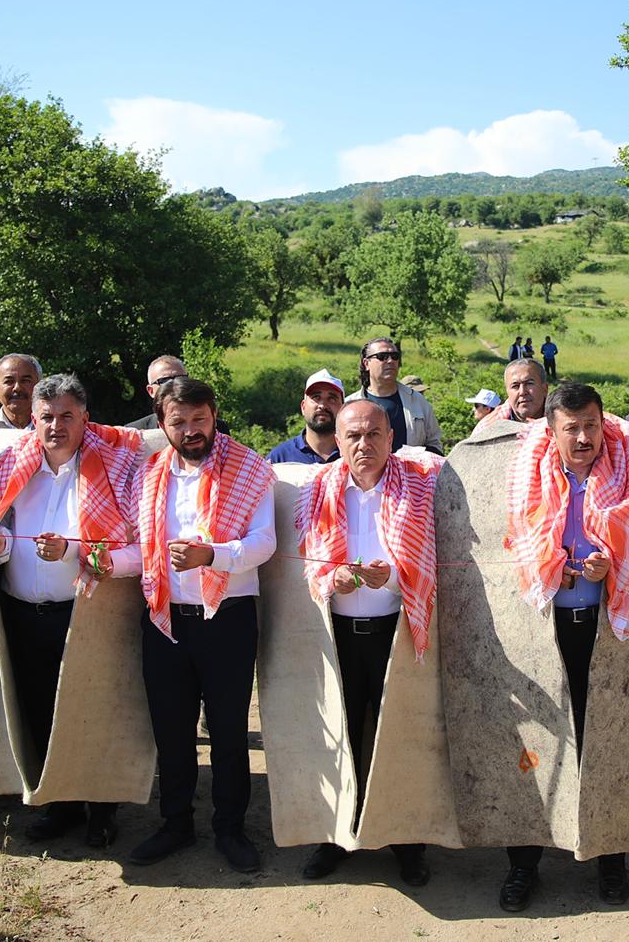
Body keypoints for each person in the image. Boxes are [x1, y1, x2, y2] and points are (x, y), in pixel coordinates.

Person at [0, 373, 145, 848]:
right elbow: (2, 527)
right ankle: (62, 805)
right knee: (40, 710)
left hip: (87, 613)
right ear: (33, 418)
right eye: (47, 417)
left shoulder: (116, 466)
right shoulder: (11, 462)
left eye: (67, 416)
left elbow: (133, 538)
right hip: (24, 612)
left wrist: (71, 549)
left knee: (93, 712)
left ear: (85, 417)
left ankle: (102, 810)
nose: (56, 426)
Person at [500, 382, 629, 912]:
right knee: (536, 745)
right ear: (552, 430)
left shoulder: (624, 473)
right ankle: (523, 866)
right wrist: (549, 569)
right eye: (571, 428)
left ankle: (611, 861)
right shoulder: (529, 475)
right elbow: (515, 542)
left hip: (601, 627)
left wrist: (610, 567)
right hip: (542, 628)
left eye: (591, 426)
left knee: (603, 740)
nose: (583, 438)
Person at [129, 377, 276, 873]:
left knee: (230, 731)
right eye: (179, 422)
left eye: (199, 419)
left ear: (214, 415)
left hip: (227, 619)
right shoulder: (149, 474)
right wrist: (90, 558)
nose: (191, 430)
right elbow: (142, 550)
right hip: (165, 618)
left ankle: (230, 828)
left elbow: (264, 543)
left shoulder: (249, 467)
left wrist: (211, 554)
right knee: (171, 730)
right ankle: (175, 823)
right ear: (162, 423)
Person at [296, 401, 442, 887]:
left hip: (396, 633)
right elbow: (305, 560)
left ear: (390, 435)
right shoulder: (318, 487)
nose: (364, 445)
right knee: (339, 734)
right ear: (337, 441)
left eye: (374, 434)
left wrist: (392, 577)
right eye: (354, 436)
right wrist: (332, 576)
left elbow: (433, 559)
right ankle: (336, 836)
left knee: (400, 737)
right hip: (337, 633)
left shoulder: (420, 485)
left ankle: (408, 843)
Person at [345, 338, 443, 455]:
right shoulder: (349, 406)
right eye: (382, 356)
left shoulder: (417, 401)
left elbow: (435, 444)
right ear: (366, 364)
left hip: (410, 472)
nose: (390, 361)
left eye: (395, 356)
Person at [268, 370, 344, 466]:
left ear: (343, 409)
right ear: (303, 407)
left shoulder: (354, 454)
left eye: (332, 399)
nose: (323, 405)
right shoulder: (280, 457)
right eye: (316, 397)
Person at [472, 359, 550, 435]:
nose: (522, 392)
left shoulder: (560, 422)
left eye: (529, 383)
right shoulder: (486, 429)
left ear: (545, 389)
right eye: (515, 386)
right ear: (507, 392)